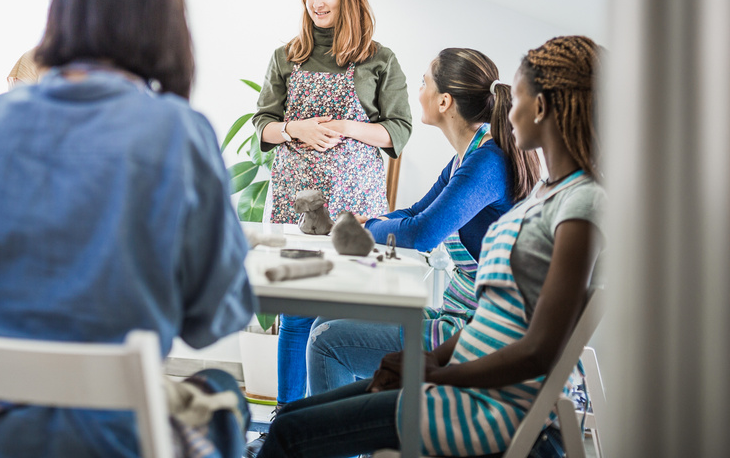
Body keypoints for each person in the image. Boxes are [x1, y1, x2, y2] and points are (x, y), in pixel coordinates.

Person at [0, 0, 256, 458]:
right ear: (166, 24)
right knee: (226, 393)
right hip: (111, 437)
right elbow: (214, 317)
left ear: (63, 11)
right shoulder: (178, 132)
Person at [258, 35, 604, 458]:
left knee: (291, 434)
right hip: (461, 381)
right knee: (291, 424)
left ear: (542, 107)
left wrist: (432, 373)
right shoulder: (549, 193)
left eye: (517, 98)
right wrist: (430, 362)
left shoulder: (580, 202)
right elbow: (494, 319)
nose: (506, 110)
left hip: (481, 409)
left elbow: (539, 351)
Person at [306, 48, 541, 393]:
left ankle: (345, 436)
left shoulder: (486, 161)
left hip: (479, 334)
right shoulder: (468, 156)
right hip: (462, 315)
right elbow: (416, 212)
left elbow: (422, 233)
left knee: (326, 342)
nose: (419, 91)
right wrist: (373, 220)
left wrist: (365, 230)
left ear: (444, 101)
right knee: (325, 321)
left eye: (423, 83)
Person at [250, 0, 412, 417]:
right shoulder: (287, 56)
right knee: (296, 314)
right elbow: (261, 126)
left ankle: (339, 425)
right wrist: (295, 128)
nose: (317, 3)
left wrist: (347, 125)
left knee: (342, 316)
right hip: (297, 207)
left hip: (354, 209)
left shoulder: (379, 59)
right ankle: (286, 421)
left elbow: (398, 131)